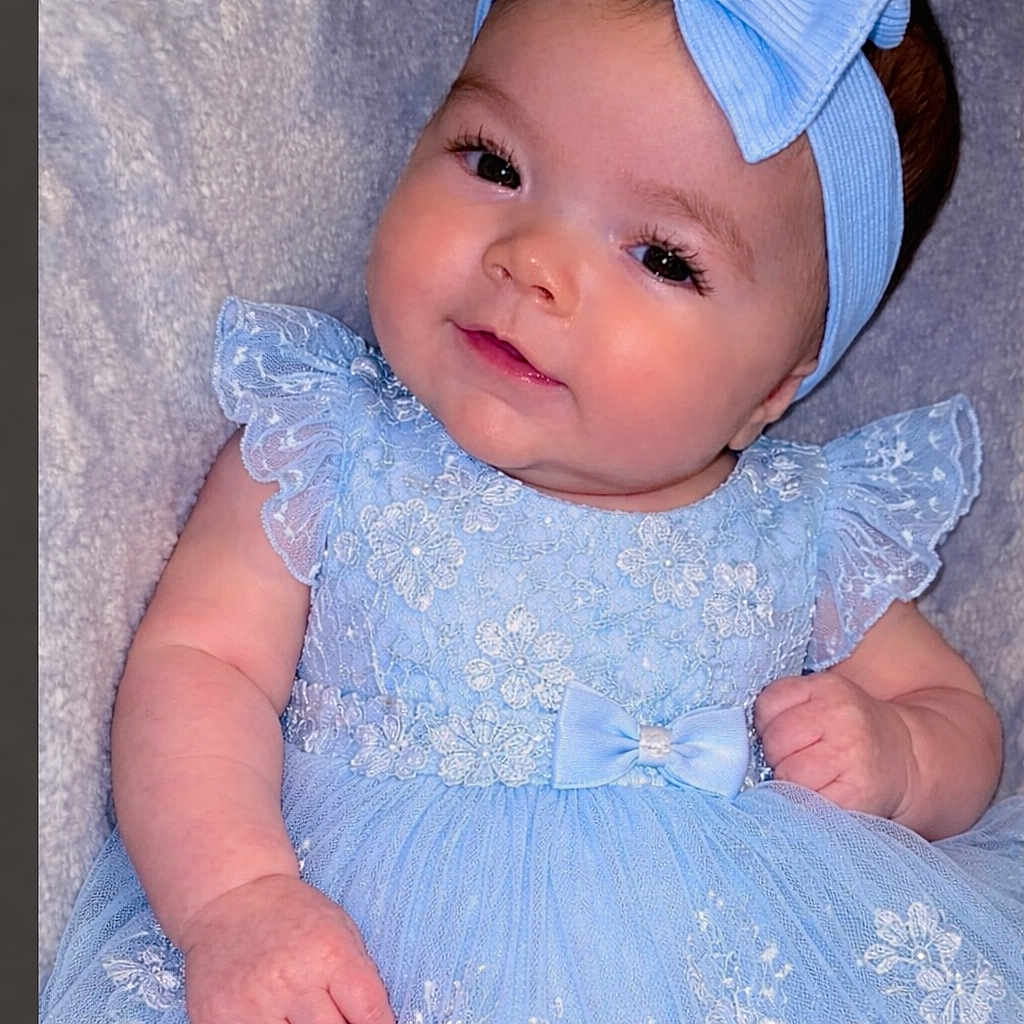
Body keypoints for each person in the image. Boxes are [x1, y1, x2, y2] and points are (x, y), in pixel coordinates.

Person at [40, 0, 1024, 1021]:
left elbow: (958, 718)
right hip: (370, 943)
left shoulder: (800, 527)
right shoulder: (326, 444)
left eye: (661, 257)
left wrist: (898, 755)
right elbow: (202, 665)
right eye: (493, 163)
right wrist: (237, 897)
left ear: (775, 386)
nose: (532, 262)